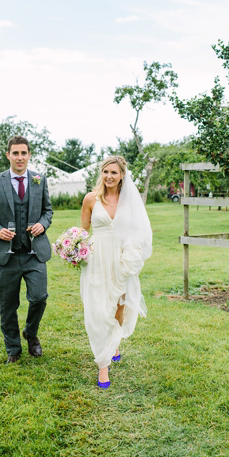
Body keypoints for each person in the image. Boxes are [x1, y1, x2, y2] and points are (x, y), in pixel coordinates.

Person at [79, 155, 152, 389]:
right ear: (101, 173)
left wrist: (132, 256)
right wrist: (73, 247)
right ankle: (103, 363)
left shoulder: (129, 201)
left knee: (118, 307)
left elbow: (138, 230)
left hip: (121, 259)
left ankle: (115, 339)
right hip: (97, 259)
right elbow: (83, 230)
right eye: (106, 172)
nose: (109, 176)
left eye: (114, 172)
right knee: (99, 310)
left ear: (122, 175)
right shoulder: (91, 199)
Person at [0, 136, 53, 364]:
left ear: (29, 155)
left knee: (39, 297)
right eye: (15, 153)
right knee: (8, 304)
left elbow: (47, 211)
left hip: (34, 253)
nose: (20, 157)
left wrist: (43, 223)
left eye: (23, 153)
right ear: (8, 155)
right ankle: (13, 348)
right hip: (5, 256)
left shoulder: (40, 180)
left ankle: (30, 333)